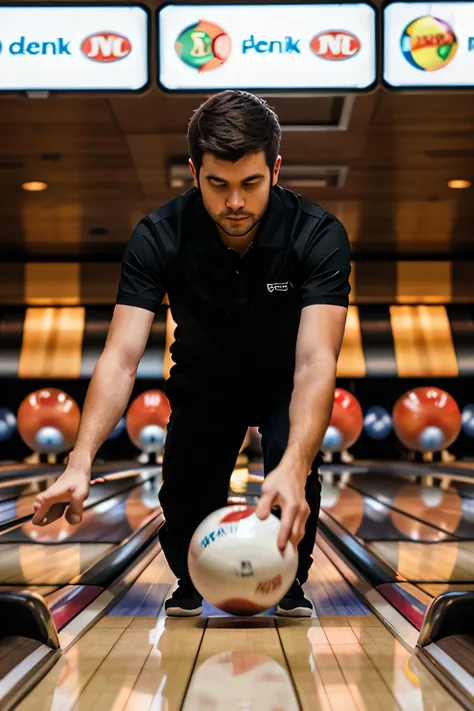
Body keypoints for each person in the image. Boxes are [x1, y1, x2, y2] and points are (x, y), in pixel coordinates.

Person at [31, 90, 350, 617]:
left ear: (276, 168)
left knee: (299, 476)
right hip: (205, 380)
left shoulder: (318, 235)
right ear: (193, 171)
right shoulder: (159, 235)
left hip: (284, 380)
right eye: (217, 185)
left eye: (251, 183)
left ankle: (288, 581)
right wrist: (79, 461)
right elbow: (120, 357)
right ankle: (192, 580)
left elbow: (317, 359)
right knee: (183, 494)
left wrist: (294, 464)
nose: (235, 203)